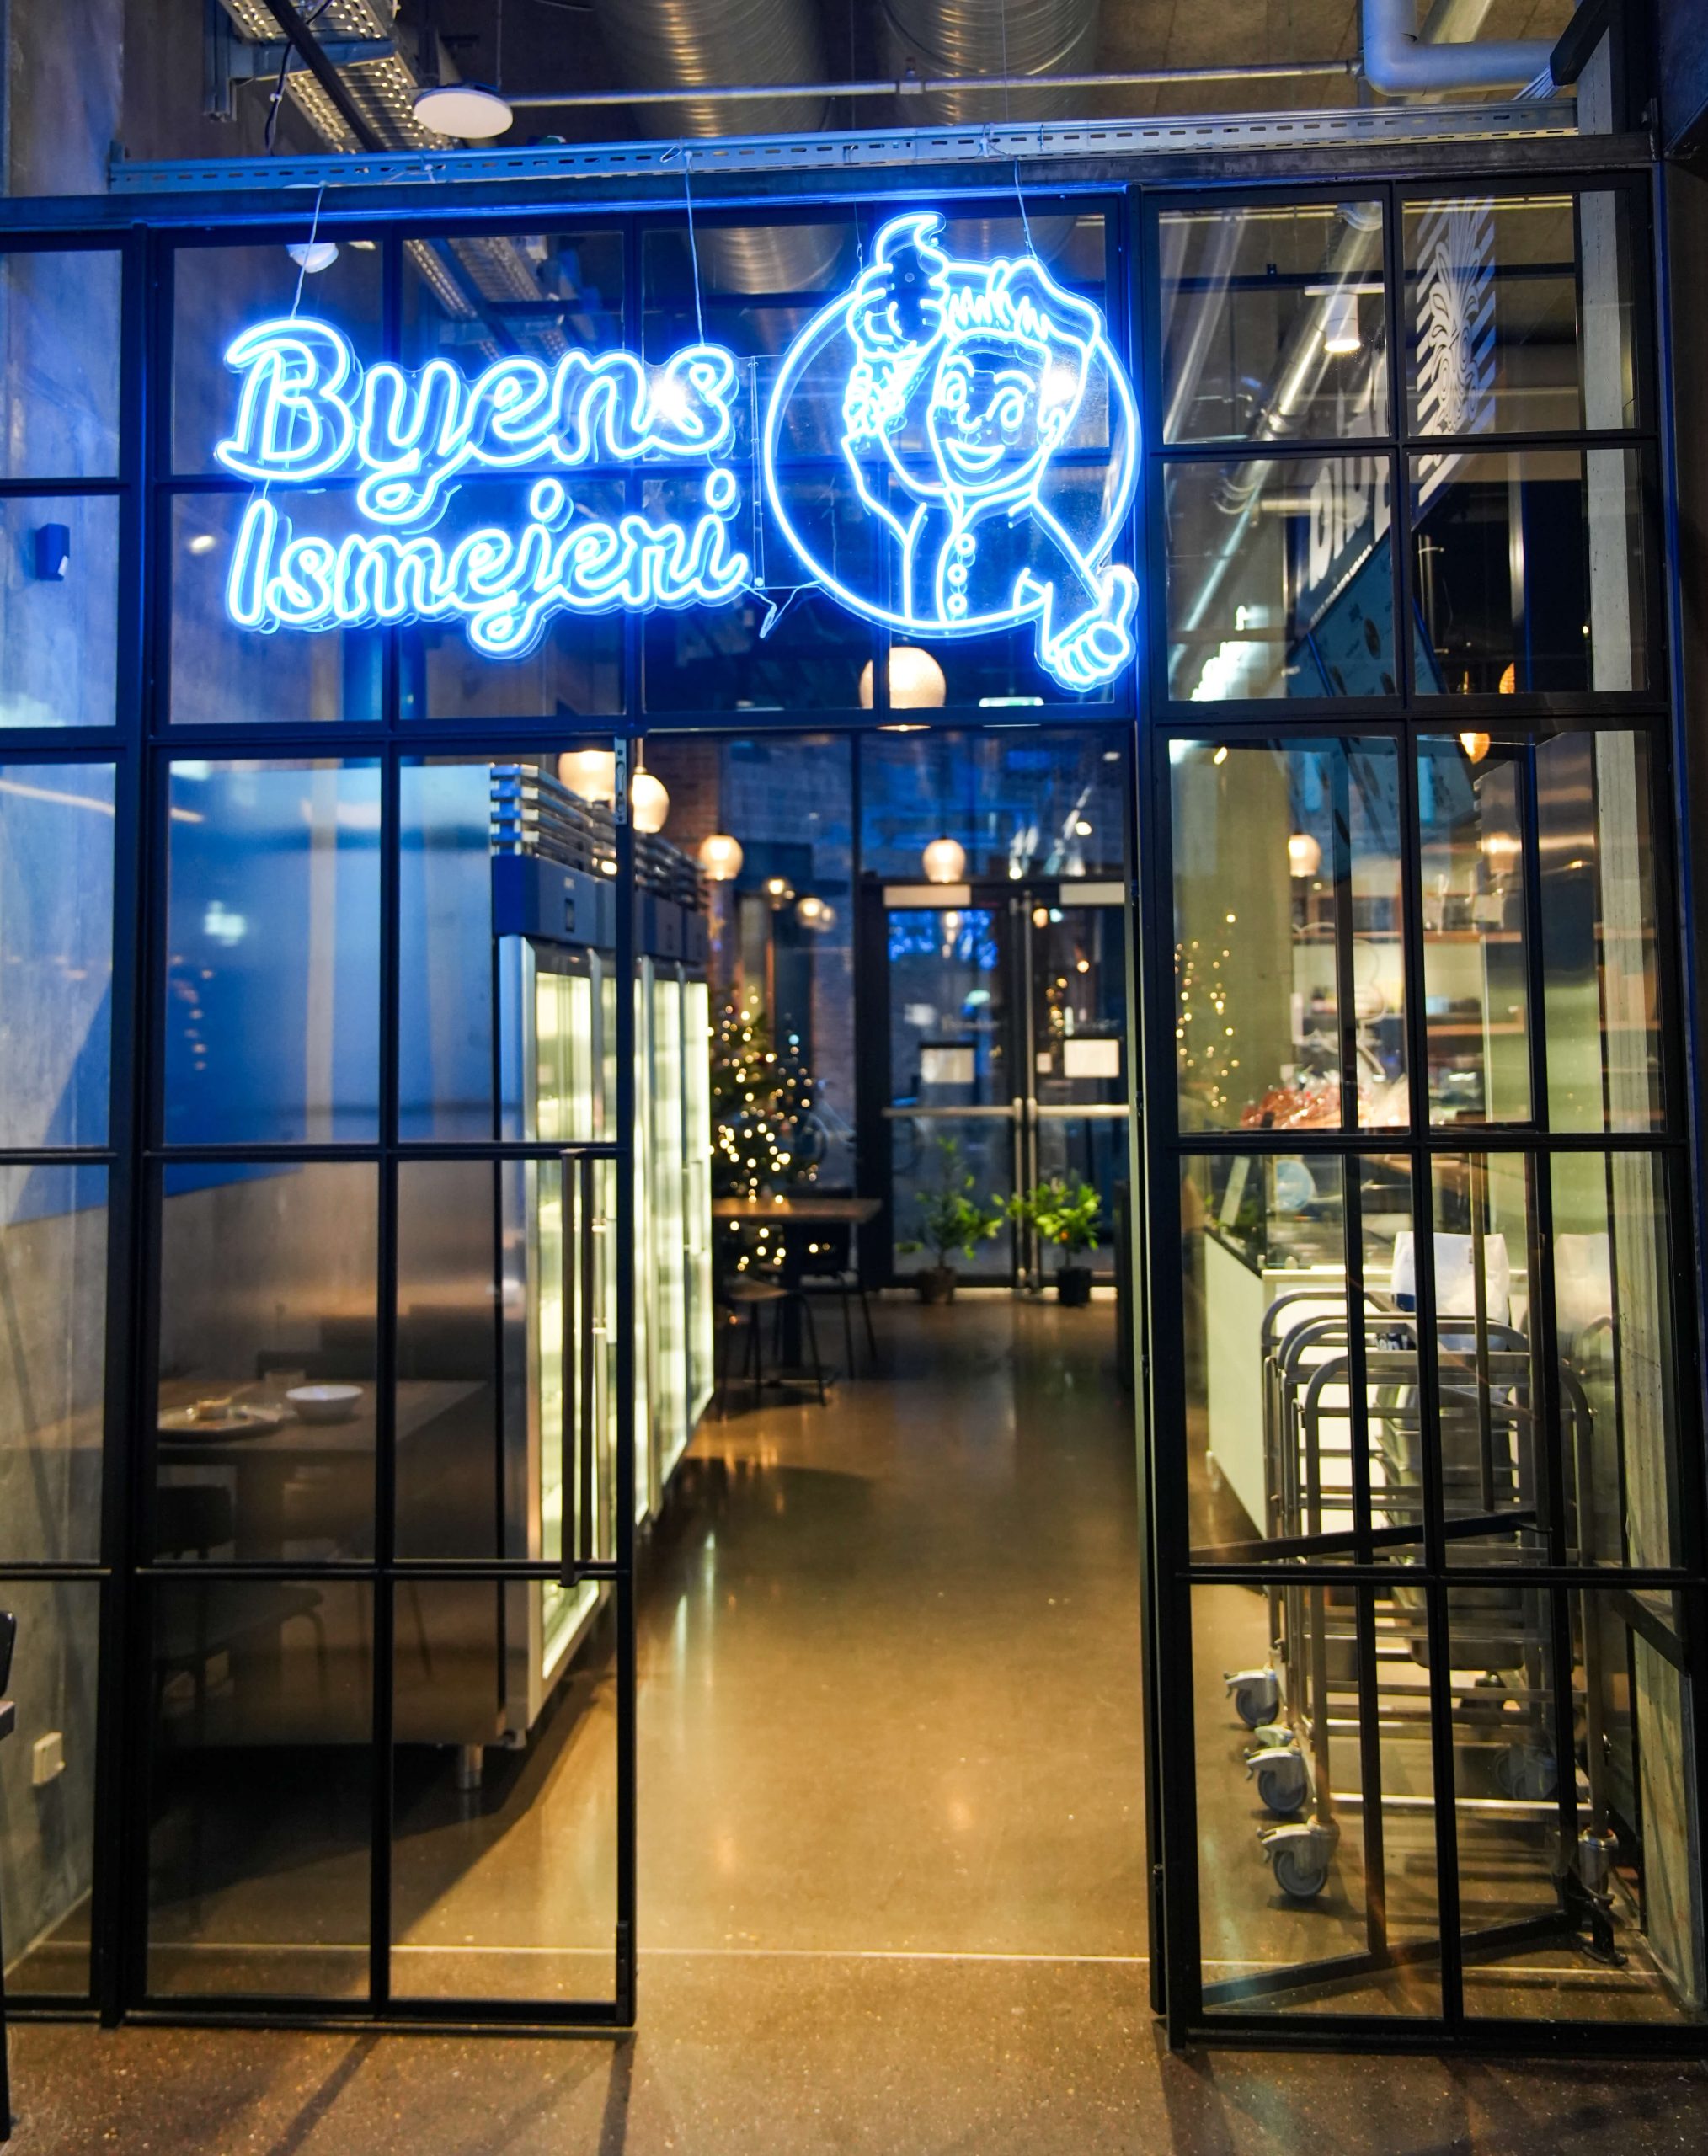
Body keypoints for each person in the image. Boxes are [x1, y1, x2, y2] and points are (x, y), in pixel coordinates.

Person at [838, 212, 1136, 691]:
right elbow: (866, 449)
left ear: (1048, 425)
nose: (973, 423)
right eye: (956, 395)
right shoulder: (927, 505)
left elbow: (1075, 621)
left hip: (984, 676)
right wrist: (877, 363)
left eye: (1009, 407)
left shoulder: (1030, 536)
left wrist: (1084, 641)